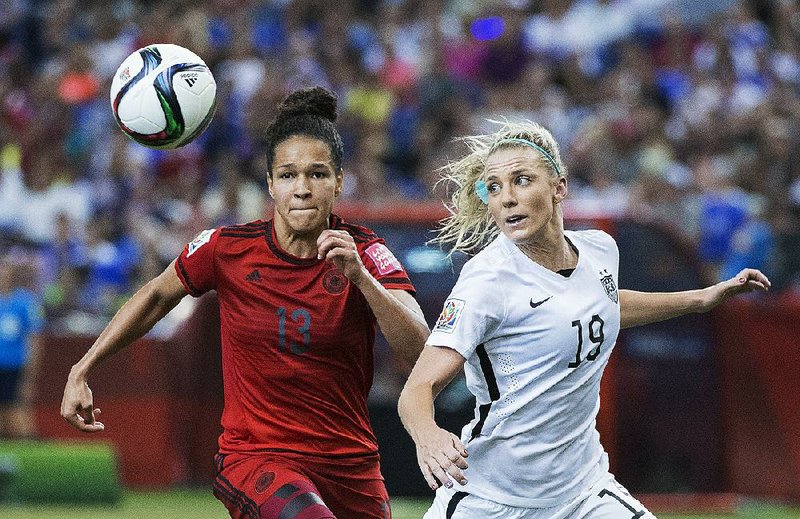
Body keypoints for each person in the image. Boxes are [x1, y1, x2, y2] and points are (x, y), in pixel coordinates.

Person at [61, 86, 430, 519]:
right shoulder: (226, 249)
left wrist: (362, 280)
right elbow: (156, 296)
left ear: (339, 181)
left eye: (317, 174)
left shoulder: (366, 253)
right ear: (270, 184)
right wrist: (82, 367)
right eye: (289, 175)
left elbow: (422, 349)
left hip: (350, 463)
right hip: (257, 458)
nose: (303, 189)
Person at [397, 120, 771, 519]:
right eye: (493, 186)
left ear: (559, 187)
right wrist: (428, 436)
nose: (506, 198)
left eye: (521, 180)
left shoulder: (599, 249)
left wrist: (700, 298)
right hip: (493, 499)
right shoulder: (487, 282)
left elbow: (601, 305)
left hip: (583, 492)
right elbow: (417, 389)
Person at [0, 256, 44, 439]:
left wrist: (30, 376)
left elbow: (35, 339)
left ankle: (29, 452)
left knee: (17, 411)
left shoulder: (26, 302)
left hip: (15, 367)